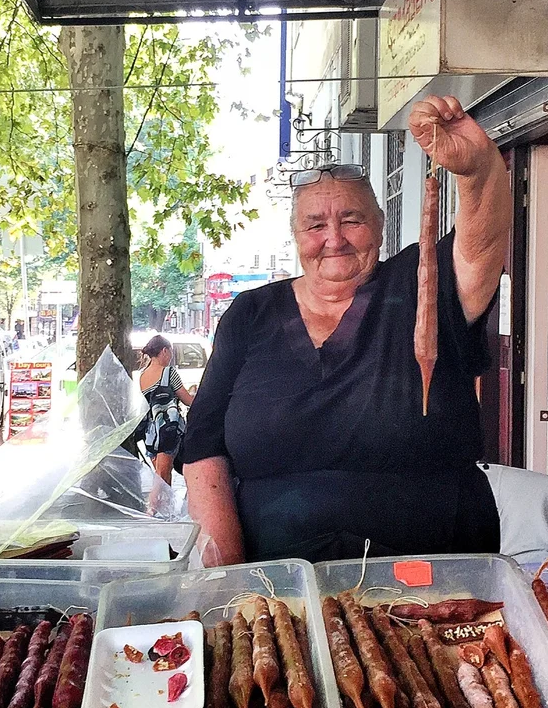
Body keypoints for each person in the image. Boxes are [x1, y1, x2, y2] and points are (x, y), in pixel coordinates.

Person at [180, 94, 512, 563]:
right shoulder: (251, 314)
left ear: (379, 225)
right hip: (279, 593)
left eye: (351, 220)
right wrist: (230, 583)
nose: (333, 239)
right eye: (315, 225)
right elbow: (203, 448)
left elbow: (481, 246)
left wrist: (477, 170)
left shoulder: (422, 282)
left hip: (435, 581)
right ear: (297, 237)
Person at [137, 335, 195, 494]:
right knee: (162, 476)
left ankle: (165, 512)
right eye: (170, 352)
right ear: (164, 351)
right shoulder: (169, 372)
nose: (170, 357)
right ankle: (152, 511)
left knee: (163, 473)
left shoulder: (142, 376)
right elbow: (187, 400)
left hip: (150, 433)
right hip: (167, 430)